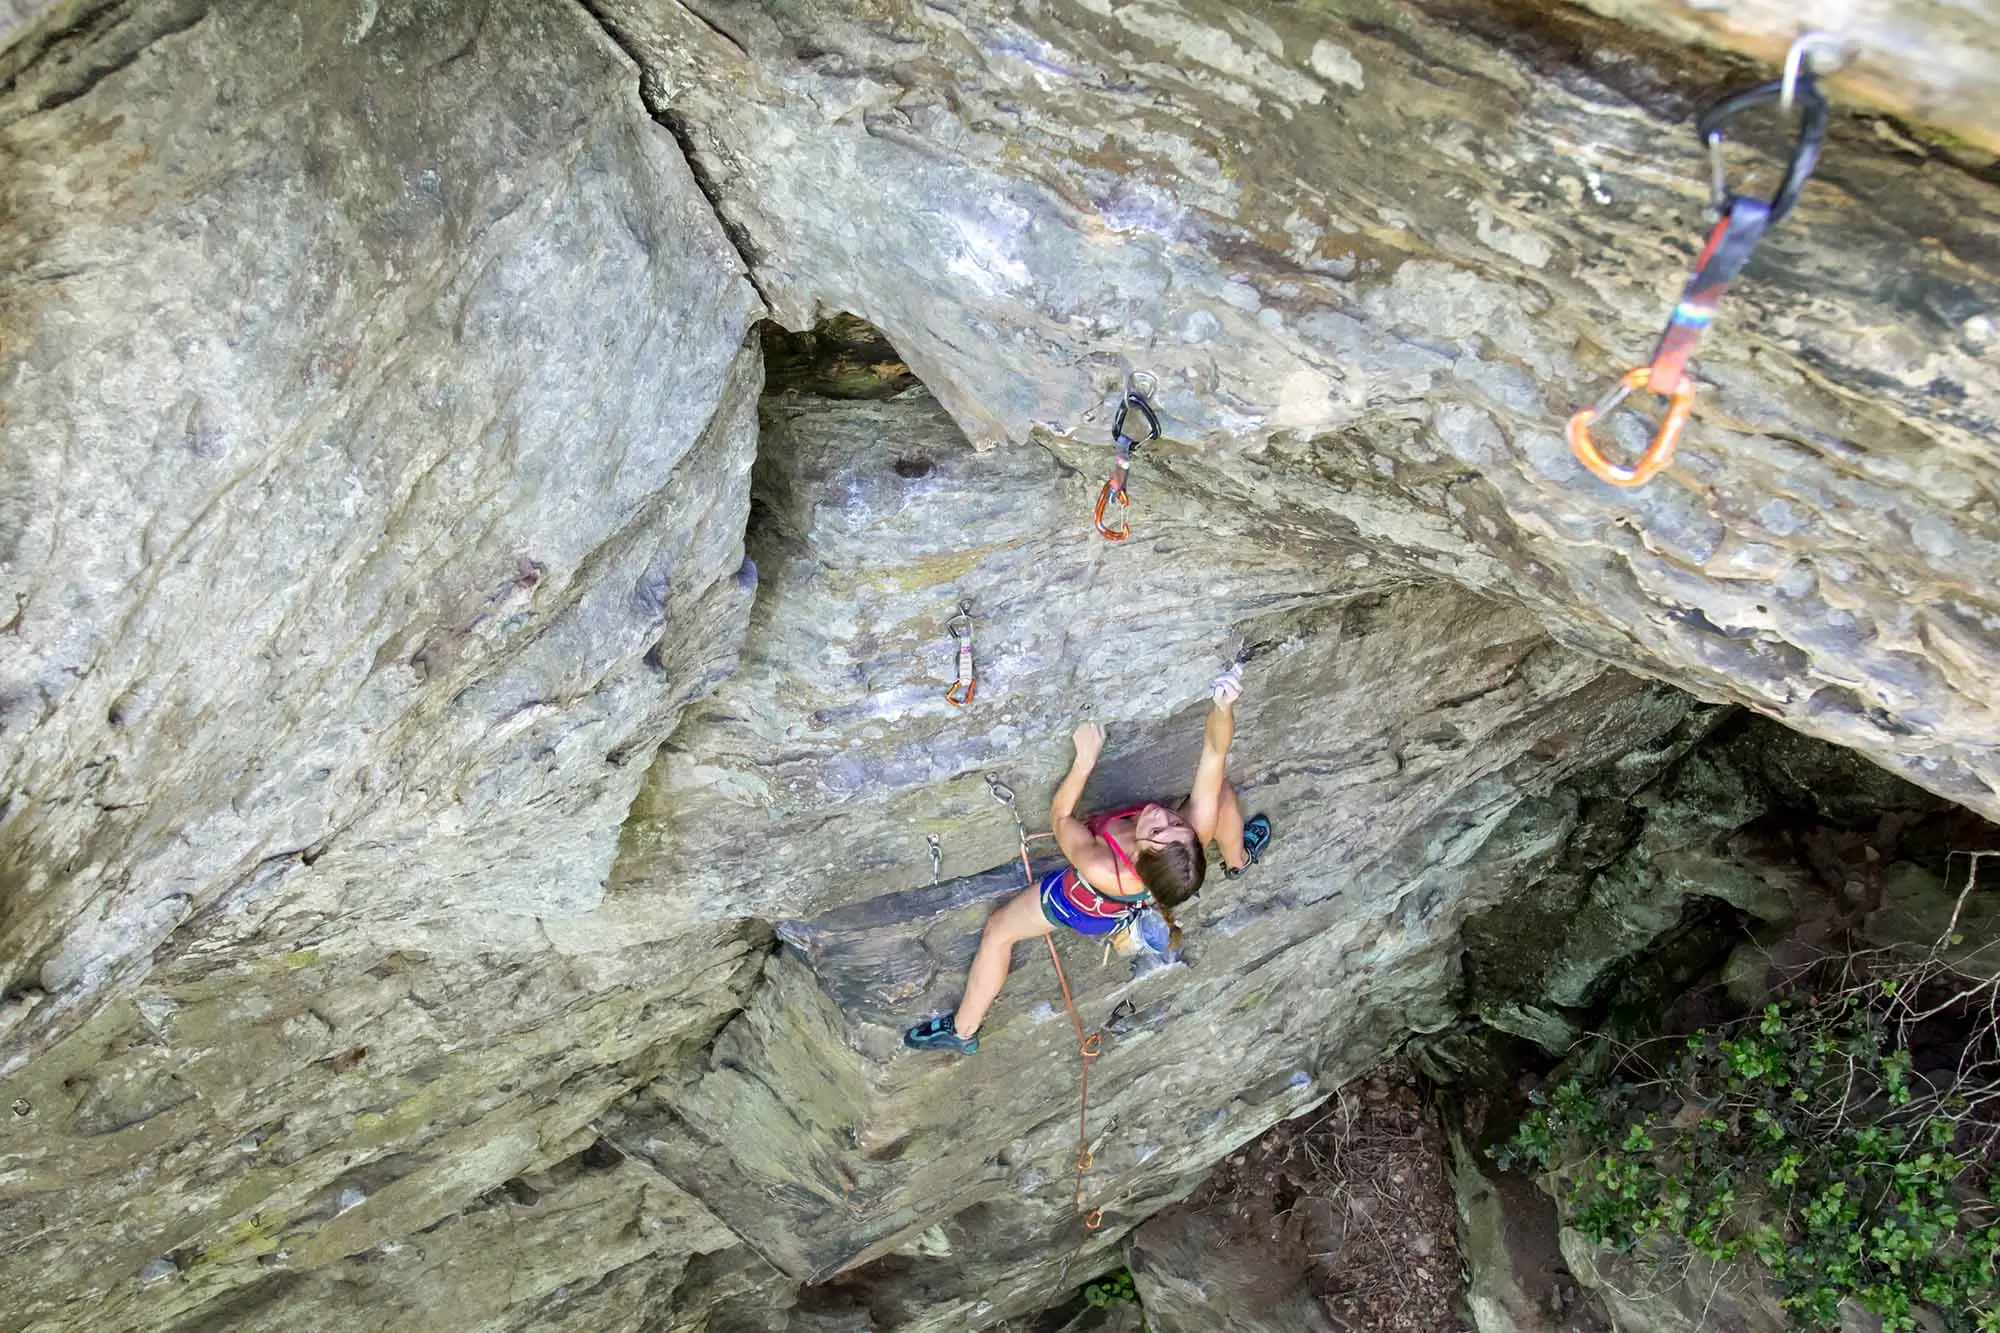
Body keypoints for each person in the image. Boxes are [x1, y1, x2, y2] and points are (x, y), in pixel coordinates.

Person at [904, 666, 1273, 1054]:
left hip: (1091, 902)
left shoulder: (1100, 866)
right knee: (1220, 795)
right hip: (1147, 881)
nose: (1160, 816)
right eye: (1174, 823)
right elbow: (1216, 751)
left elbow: (1061, 818)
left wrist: (1084, 761)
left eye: (1158, 833)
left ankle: (962, 1031)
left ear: (1138, 853)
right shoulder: (1191, 830)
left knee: (998, 931)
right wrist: (1222, 706)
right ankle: (1238, 859)